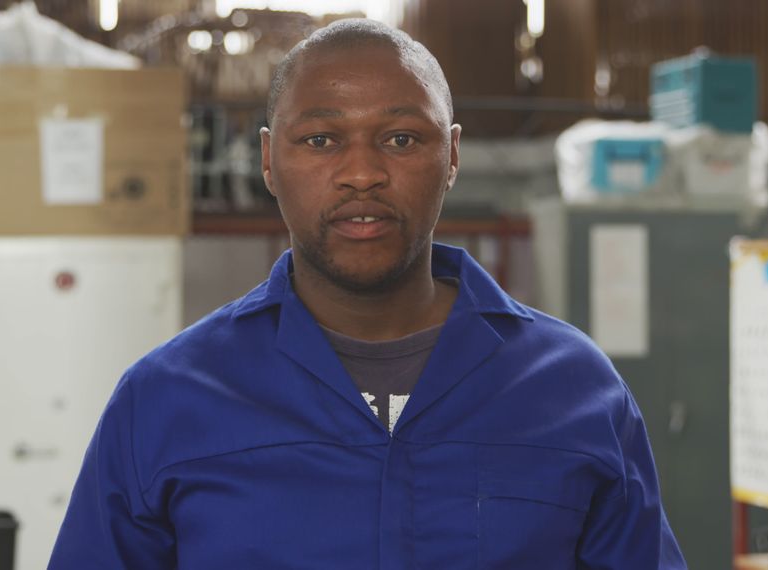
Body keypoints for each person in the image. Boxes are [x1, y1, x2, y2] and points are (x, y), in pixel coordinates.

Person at [49, 18, 686, 570]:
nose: (361, 173)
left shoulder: (575, 390)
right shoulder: (165, 400)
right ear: (269, 160)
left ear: (453, 155)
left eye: (402, 139)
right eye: (321, 140)